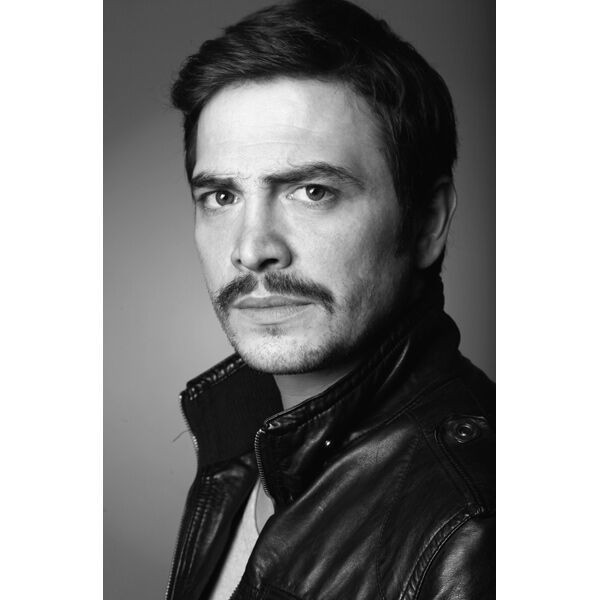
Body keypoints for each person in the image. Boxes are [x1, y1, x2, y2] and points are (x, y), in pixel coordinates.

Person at [166, 1, 495, 598]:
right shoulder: (241, 441)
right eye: (221, 197)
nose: (252, 249)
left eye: (312, 191)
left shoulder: (476, 527)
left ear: (427, 222)